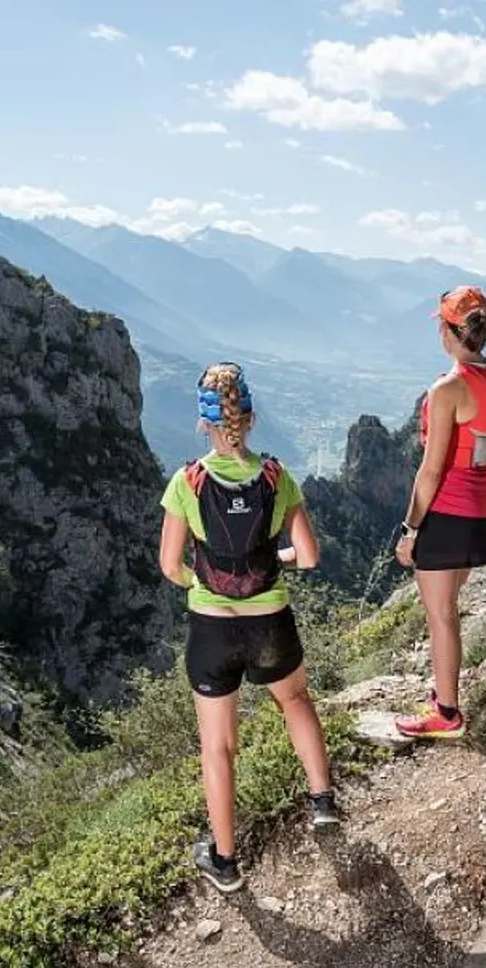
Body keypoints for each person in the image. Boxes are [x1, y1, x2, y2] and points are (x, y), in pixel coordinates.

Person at [158, 362, 341, 894]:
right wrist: (268, 560)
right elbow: (308, 556)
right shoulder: (276, 477)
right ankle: (323, 802)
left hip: (211, 629)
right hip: (269, 620)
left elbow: (170, 566)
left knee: (218, 746)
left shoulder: (186, 482)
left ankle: (225, 861)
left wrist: (208, 580)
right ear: (251, 417)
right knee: (296, 702)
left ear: (202, 423)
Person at [392, 286, 486, 740]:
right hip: (479, 510)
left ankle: (446, 713)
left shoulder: (446, 389)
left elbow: (429, 473)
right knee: (446, 608)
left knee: (440, 614)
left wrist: (410, 530)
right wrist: (478, 482)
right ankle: (443, 694)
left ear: (448, 330)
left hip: (445, 511)